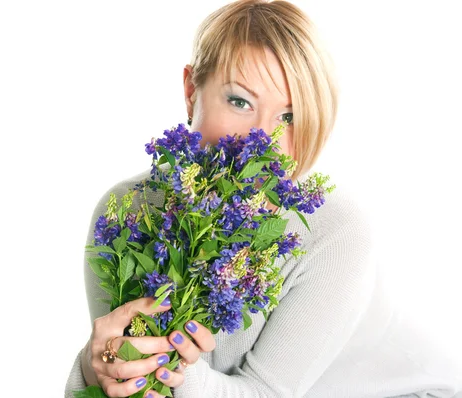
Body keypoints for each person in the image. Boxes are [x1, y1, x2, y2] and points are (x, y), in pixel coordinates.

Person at [65, 1, 462, 397]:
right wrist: (94, 364)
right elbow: (117, 374)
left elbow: (266, 393)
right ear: (191, 91)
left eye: (288, 117)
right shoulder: (130, 211)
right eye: (240, 101)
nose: (261, 142)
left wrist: (176, 372)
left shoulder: (335, 229)